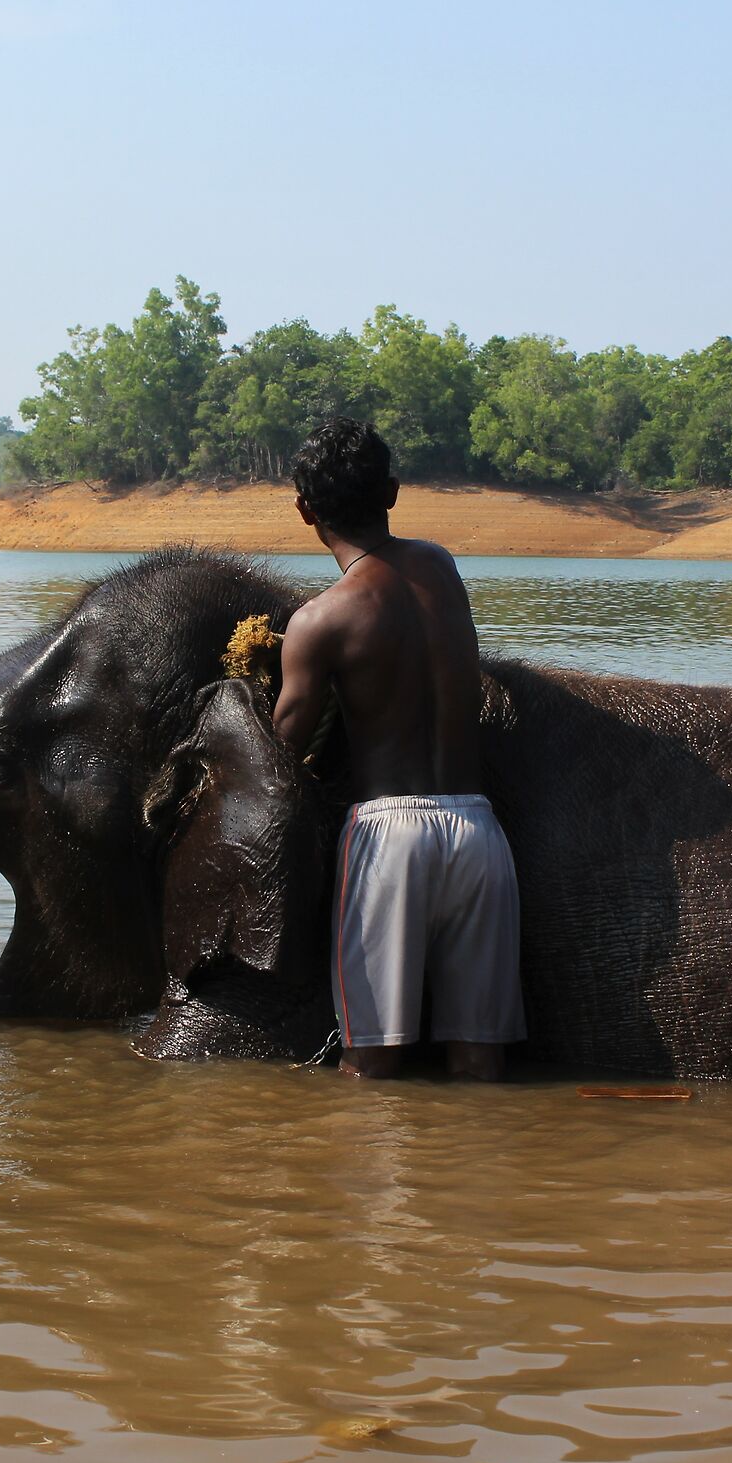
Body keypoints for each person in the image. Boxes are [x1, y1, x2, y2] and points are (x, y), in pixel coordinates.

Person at [272, 418, 523, 1081]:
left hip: (389, 840)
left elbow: (282, 750)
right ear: (392, 491)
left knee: (371, 1064)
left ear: (304, 510)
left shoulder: (319, 620)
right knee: (480, 1061)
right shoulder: (441, 568)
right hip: (478, 832)